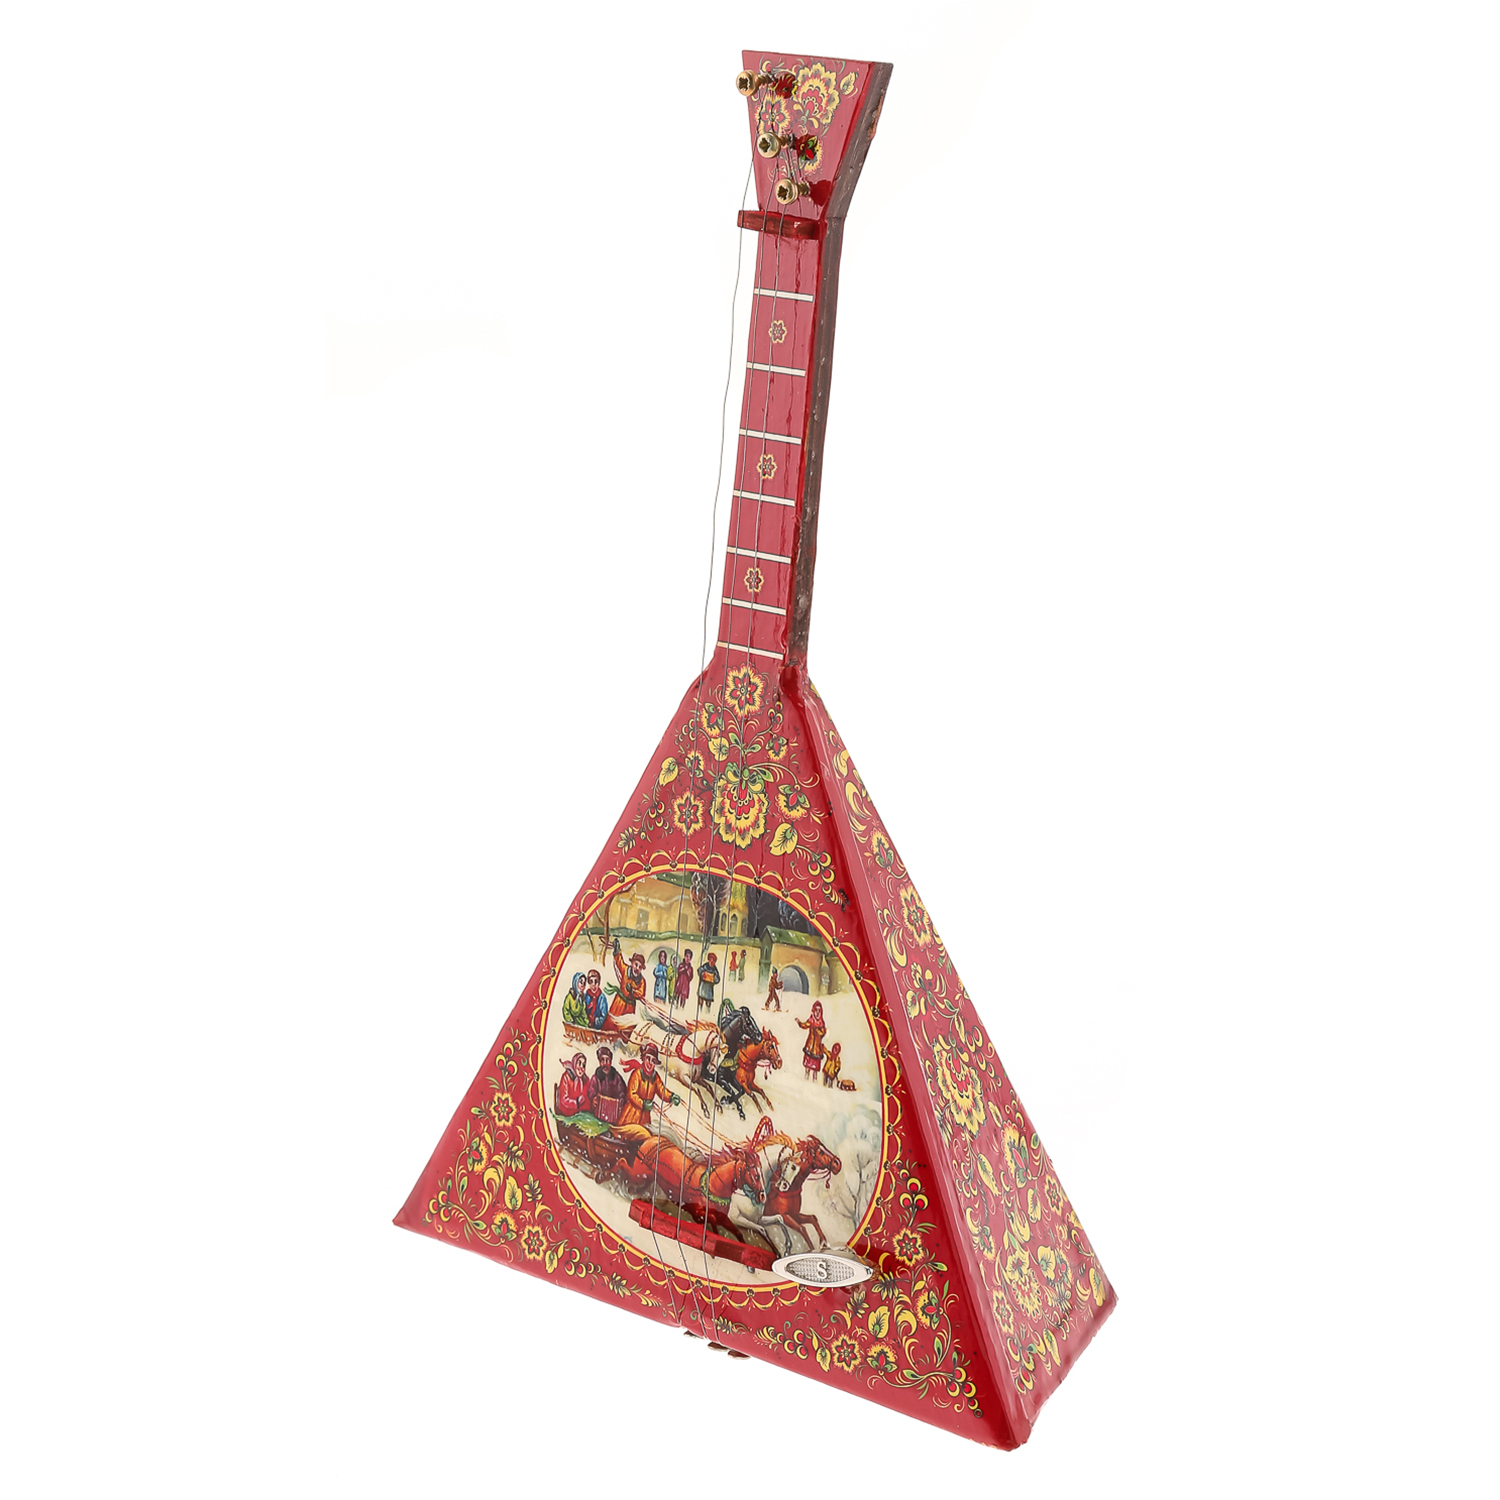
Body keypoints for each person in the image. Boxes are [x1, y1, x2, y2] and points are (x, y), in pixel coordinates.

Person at [618, 1041, 680, 1127]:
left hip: (645, 1119)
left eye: (653, 1061)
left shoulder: (655, 1077)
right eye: (648, 1059)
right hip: (631, 1117)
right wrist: (643, 1104)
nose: (650, 1063)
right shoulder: (637, 1074)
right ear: (643, 1058)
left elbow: (662, 1090)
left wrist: (671, 1097)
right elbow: (631, 1094)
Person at [591, 1046, 628, 1125]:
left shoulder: (616, 1077)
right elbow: (591, 1090)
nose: (605, 1063)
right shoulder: (596, 1077)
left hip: (614, 1115)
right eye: (602, 1060)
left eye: (607, 1060)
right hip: (599, 1113)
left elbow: (622, 1091)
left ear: (611, 1061)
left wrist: (621, 1102)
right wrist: (593, 1098)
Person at [610, 938, 646, 1018]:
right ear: (632, 963)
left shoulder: (642, 981)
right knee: (612, 1020)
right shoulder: (626, 969)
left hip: (630, 1007)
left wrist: (632, 991)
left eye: (640, 967)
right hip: (619, 1003)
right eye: (636, 965)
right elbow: (619, 962)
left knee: (627, 1024)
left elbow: (641, 994)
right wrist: (617, 951)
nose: (637, 968)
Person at [796, 999, 827, 1078]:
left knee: (815, 1069)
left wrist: (818, 1030)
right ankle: (806, 1078)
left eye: (819, 1010)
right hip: (809, 1046)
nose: (817, 1012)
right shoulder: (811, 1020)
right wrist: (799, 1022)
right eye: (816, 1010)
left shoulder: (821, 1023)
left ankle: (814, 1081)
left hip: (817, 1049)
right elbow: (804, 1025)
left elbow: (823, 1033)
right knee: (807, 1067)